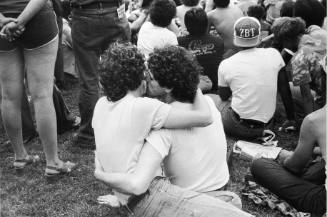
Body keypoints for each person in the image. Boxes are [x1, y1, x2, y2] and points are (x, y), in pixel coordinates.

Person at [93, 43, 252, 217]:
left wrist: (106, 179)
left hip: (183, 197)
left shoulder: (160, 124)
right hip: (219, 186)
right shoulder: (208, 104)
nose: (146, 79)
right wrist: (191, 82)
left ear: (168, 87)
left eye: (151, 76)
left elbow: (138, 182)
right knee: (233, 201)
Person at [0, 0, 75, 177]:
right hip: (37, 19)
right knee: (42, 95)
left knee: (8, 96)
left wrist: (3, 19)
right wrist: (20, 21)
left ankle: (20, 156)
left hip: (2, 23)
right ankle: (52, 162)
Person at [70, 0, 131, 149]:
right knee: (122, 74)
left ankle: (87, 135)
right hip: (114, 12)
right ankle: (126, 129)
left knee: (89, 79)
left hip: (84, 13)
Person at [212, 16, 285, 139]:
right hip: (268, 125)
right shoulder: (274, 54)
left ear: (236, 38)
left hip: (239, 126)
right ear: (259, 36)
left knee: (212, 98)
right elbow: (284, 89)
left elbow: (224, 96)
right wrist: (291, 118)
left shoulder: (227, 63)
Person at [251, 105, 326, 216]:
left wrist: (286, 157)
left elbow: (294, 167)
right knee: (310, 173)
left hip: (323, 203)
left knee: (259, 165)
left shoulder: (315, 120)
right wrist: (314, 150)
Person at [272, 0, 327, 130]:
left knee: (283, 84)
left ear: (286, 40)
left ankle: (297, 119)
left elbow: (307, 97)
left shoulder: (299, 59)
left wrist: (310, 126)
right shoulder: (317, 33)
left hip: (324, 101)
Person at [178, 8, 224, 93]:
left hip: (192, 90)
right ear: (206, 24)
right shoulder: (219, 41)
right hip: (216, 87)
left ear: (186, 25)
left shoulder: (179, 43)